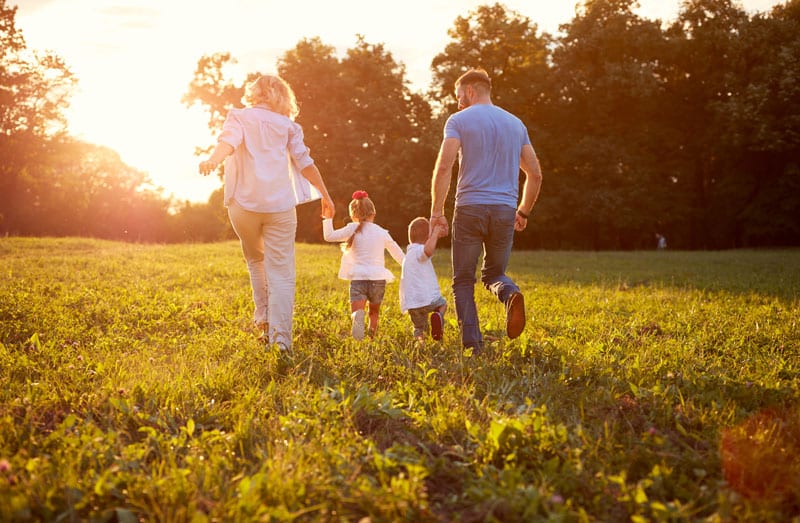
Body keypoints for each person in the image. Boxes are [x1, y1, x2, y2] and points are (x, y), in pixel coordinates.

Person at [198, 74, 335, 352]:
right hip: (280, 207)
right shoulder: (289, 126)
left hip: (243, 205)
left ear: (254, 93)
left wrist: (213, 160)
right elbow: (305, 163)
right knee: (281, 272)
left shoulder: (238, 116)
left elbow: (228, 142)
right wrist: (325, 195)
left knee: (256, 260)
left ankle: (263, 321)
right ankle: (281, 340)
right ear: (282, 97)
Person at [430, 68, 543, 353]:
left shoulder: (458, 120)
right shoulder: (516, 124)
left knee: (463, 280)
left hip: (470, 208)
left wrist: (437, 212)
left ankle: (473, 346)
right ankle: (510, 293)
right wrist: (523, 211)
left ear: (470, 91)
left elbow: (444, 167)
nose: (458, 103)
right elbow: (535, 174)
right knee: (494, 274)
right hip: (505, 210)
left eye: (459, 96)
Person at [322, 190, 404, 340]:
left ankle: (357, 323)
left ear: (353, 215)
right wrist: (410, 266)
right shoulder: (381, 232)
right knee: (374, 312)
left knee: (357, 312)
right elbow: (398, 254)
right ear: (373, 213)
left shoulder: (351, 229)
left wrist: (328, 218)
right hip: (378, 279)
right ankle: (371, 335)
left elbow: (329, 236)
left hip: (358, 277)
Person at [400, 217, 448, 342]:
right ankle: (438, 316)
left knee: (419, 328)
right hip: (427, 300)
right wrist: (435, 234)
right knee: (443, 304)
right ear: (428, 238)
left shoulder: (408, 255)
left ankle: (420, 344)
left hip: (412, 304)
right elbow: (428, 251)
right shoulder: (419, 250)